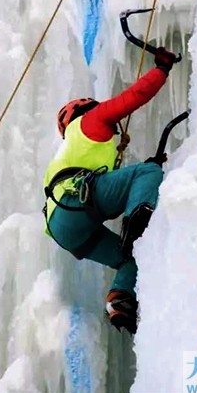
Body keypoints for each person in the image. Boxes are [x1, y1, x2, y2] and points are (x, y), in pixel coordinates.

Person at [43, 47, 178, 333]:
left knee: (130, 259)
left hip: (65, 230)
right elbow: (131, 99)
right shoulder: (88, 122)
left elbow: (113, 186)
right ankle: (137, 222)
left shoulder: (69, 152)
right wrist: (161, 70)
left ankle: (120, 300)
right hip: (77, 203)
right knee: (146, 172)